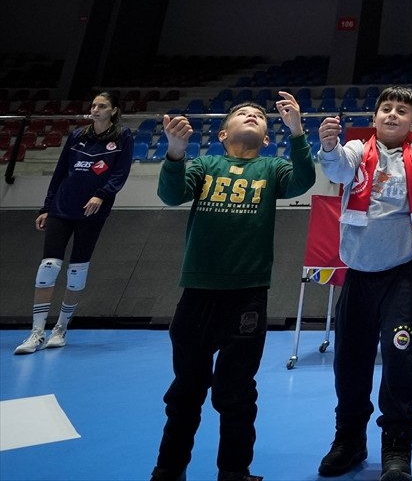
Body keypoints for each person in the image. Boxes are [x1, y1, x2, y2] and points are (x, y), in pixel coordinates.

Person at [150, 95, 316, 481]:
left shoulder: (273, 168)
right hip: (198, 293)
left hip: (248, 295)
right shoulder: (204, 165)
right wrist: (175, 152)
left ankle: (234, 472)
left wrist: (296, 131)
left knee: (237, 392)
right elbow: (171, 195)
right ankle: (168, 470)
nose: (252, 116)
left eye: (259, 116)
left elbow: (303, 180)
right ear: (223, 134)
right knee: (185, 392)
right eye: (244, 113)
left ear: (267, 137)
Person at [314, 87, 412, 481]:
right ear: (375, 117)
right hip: (359, 277)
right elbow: (335, 169)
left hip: (402, 276)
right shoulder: (355, 152)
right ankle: (349, 439)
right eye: (386, 108)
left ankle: (397, 443)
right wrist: (328, 145)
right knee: (349, 363)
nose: (393, 114)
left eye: (402, 111)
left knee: (398, 360)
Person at [14, 92, 133, 355]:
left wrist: (101, 195)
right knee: (48, 266)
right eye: (93, 105)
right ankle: (36, 332)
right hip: (62, 208)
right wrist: (47, 206)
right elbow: (60, 172)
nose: (95, 109)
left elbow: (121, 172)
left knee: (77, 271)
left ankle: (61, 329)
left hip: (92, 212)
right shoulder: (78, 136)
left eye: (102, 106)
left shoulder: (122, 137)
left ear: (113, 110)